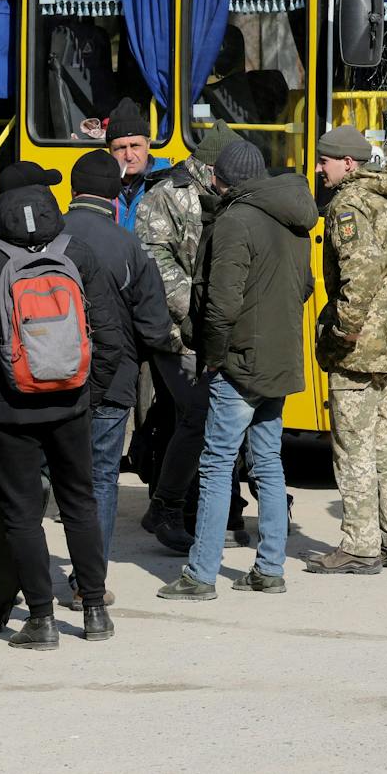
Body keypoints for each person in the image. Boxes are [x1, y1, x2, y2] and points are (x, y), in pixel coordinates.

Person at [0, 161, 124, 650]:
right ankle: (93, 611)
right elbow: (111, 337)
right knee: (80, 504)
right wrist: (88, 393)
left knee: (23, 513)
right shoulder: (78, 253)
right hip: (70, 404)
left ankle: (41, 621)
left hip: (7, 410)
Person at [158, 140, 315, 601]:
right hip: (280, 358)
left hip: (239, 362)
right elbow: (303, 286)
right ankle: (270, 569)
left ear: (221, 180)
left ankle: (201, 575)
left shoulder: (234, 221)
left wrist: (213, 354)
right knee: (267, 461)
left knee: (216, 463)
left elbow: (220, 304)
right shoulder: (296, 218)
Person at [61, 150, 177, 602]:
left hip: (48, 380)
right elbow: (153, 325)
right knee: (102, 477)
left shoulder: (49, 238)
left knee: (54, 475)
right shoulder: (128, 245)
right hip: (112, 381)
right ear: (115, 198)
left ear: (71, 192)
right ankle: (91, 580)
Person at [306, 125, 387, 575]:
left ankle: (359, 546)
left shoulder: (348, 204)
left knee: (352, 445)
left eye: (325, 161)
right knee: (384, 440)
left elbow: (361, 271)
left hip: (361, 342)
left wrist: (343, 331)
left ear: (348, 164)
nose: (319, 168)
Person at [135, 122, 250, 551]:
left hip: (216, 329)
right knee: (198, 415)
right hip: (176, 335)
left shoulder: (230, 194)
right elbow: (157, 268)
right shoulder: (163, 197)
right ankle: (167, 507)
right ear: (208, 166)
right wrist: (204, 315)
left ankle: (205, 506)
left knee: (210, 418)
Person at [104, 98, 171, 231]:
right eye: (120, 148)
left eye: (135, 146)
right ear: (109, 150)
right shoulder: (99, 185)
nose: (128, 156)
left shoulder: (169, 185)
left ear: (148, 145)